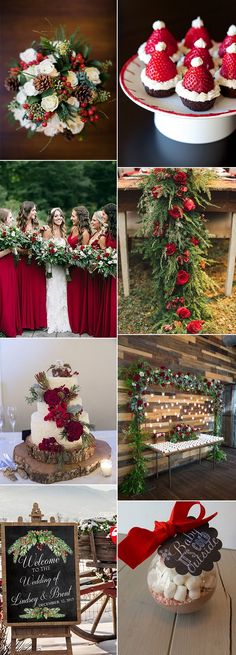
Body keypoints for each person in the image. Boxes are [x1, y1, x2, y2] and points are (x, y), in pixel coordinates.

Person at [17, 201, 47, 330]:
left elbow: (40, 242)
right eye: (34, 210)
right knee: (26, 291)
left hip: (37, 263)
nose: (35, 212)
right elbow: (15, 248)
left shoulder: (37, 226)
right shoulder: (19, 227)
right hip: (25, 264)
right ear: (27, 211)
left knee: (38, 290)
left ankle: (38, 322)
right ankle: (26, 323)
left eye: (35, 210)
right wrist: (25, 252)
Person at [43, 207, 71, 334]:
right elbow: (44, 251)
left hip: (62, 268)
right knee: (53, 292)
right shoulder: (48, 231)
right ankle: (53, 322)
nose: (59, 218)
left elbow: (66, 249)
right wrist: (53, 257)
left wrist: (67, 257)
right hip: (52, 268)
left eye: (60, 215)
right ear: (51, 218)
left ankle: (63, 321)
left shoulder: (64, 232)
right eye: (56, 216)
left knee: (62, 292)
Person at [67, 206, 90, 334]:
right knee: (71, 295)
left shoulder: (85, 233)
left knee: (78, 296)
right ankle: (72, 322)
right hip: (70, 268)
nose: (71, 218)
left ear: (80, 217)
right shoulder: (73, 229)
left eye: (73, 216)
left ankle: (79, 324)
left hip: (79, 270)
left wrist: (69, 263)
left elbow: (82, 255)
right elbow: (68, 245)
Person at [0, 208, 22, 337]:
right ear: (3, 220)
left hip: (10, 267)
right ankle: (6, 327)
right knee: (5, 296)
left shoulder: (9, 232)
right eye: (10, 217)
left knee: (10, 295)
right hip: (2, 268)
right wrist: (9, 249)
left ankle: (11, 325)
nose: (12, 219)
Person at [87, 211, 107, 337]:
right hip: (91, 271)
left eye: (94, 220)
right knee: (92, 299)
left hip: (98, 271)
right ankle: (92, 326)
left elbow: (105, 254)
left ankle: (97, 327)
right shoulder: (94, 233)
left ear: (100, 222)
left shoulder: (102, 236)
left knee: (97, 299)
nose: (91, 222)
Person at [100, 203, 117, 337]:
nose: (102, 216)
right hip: (109, 267)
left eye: (104, 214)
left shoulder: (114, 231)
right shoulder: (107, 230)